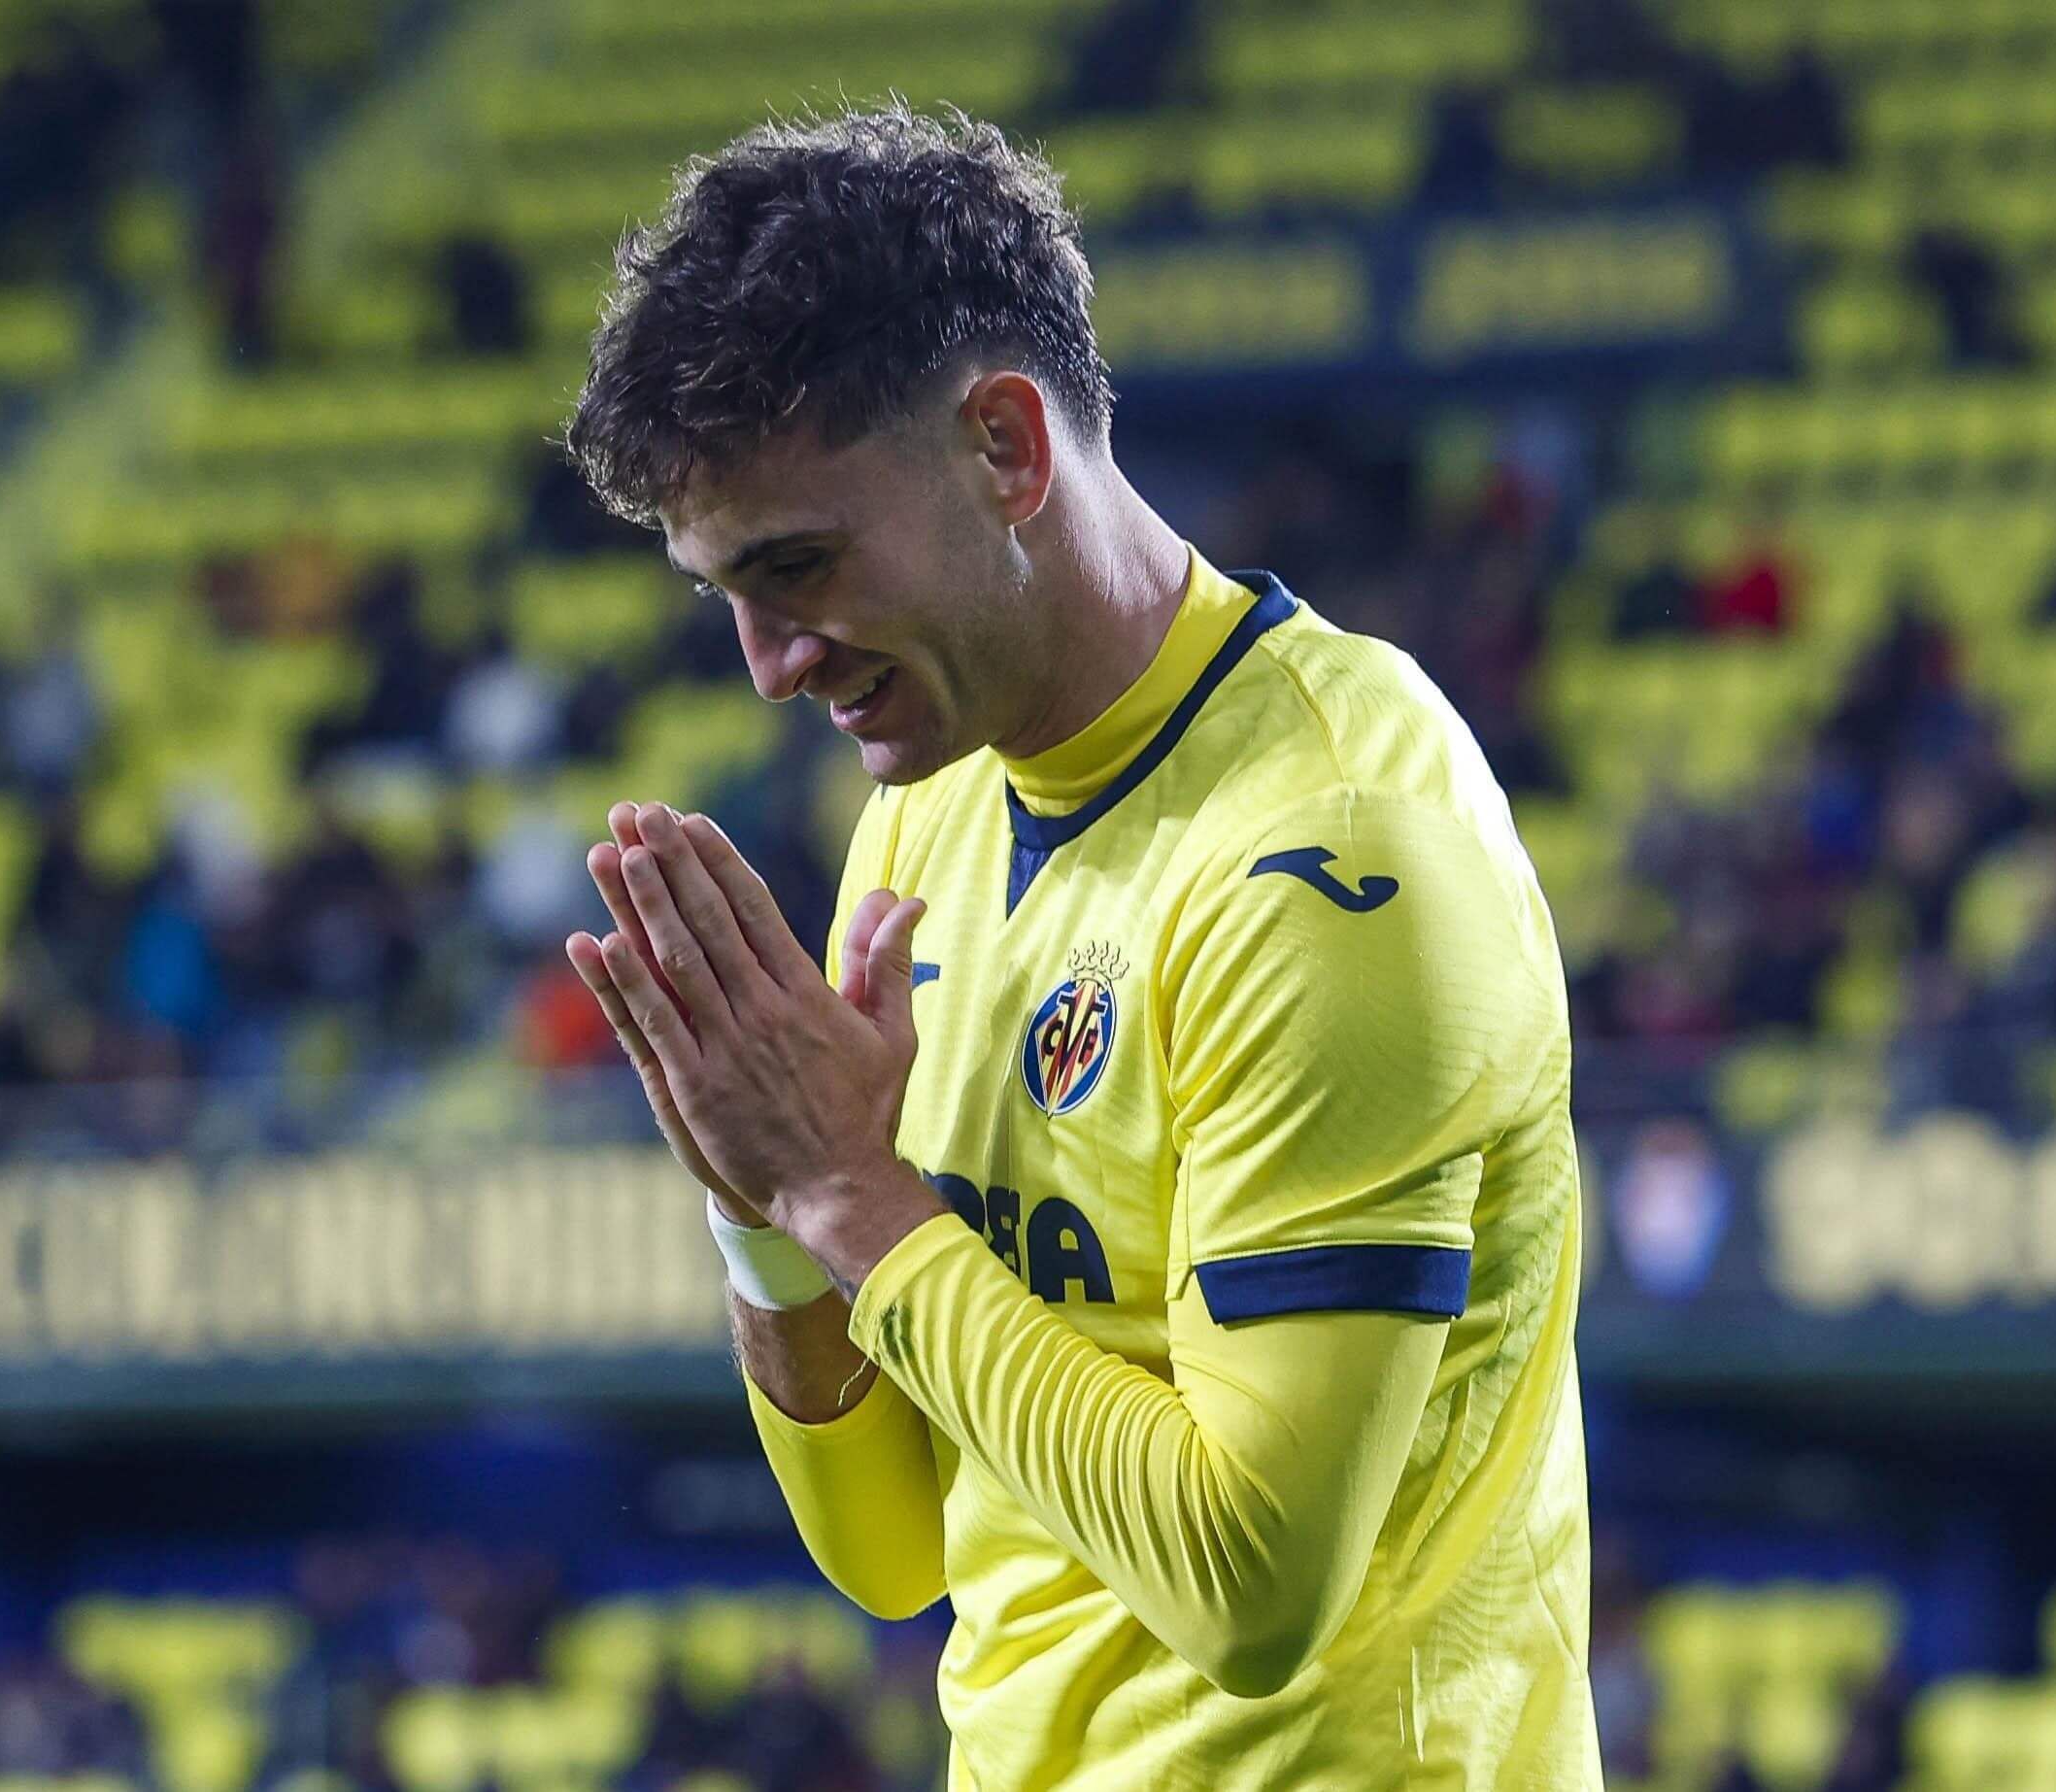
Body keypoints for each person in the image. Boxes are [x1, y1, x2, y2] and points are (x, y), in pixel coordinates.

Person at [555, 106, 1596, 1787]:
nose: (766, 662)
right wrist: (763, 1213)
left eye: (797, 566)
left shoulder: (1331, 856)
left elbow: (1253, 1587)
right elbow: (895, 1550)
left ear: (1005, 448)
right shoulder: (925, 815)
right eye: (722, 593)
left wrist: (850, 1199)